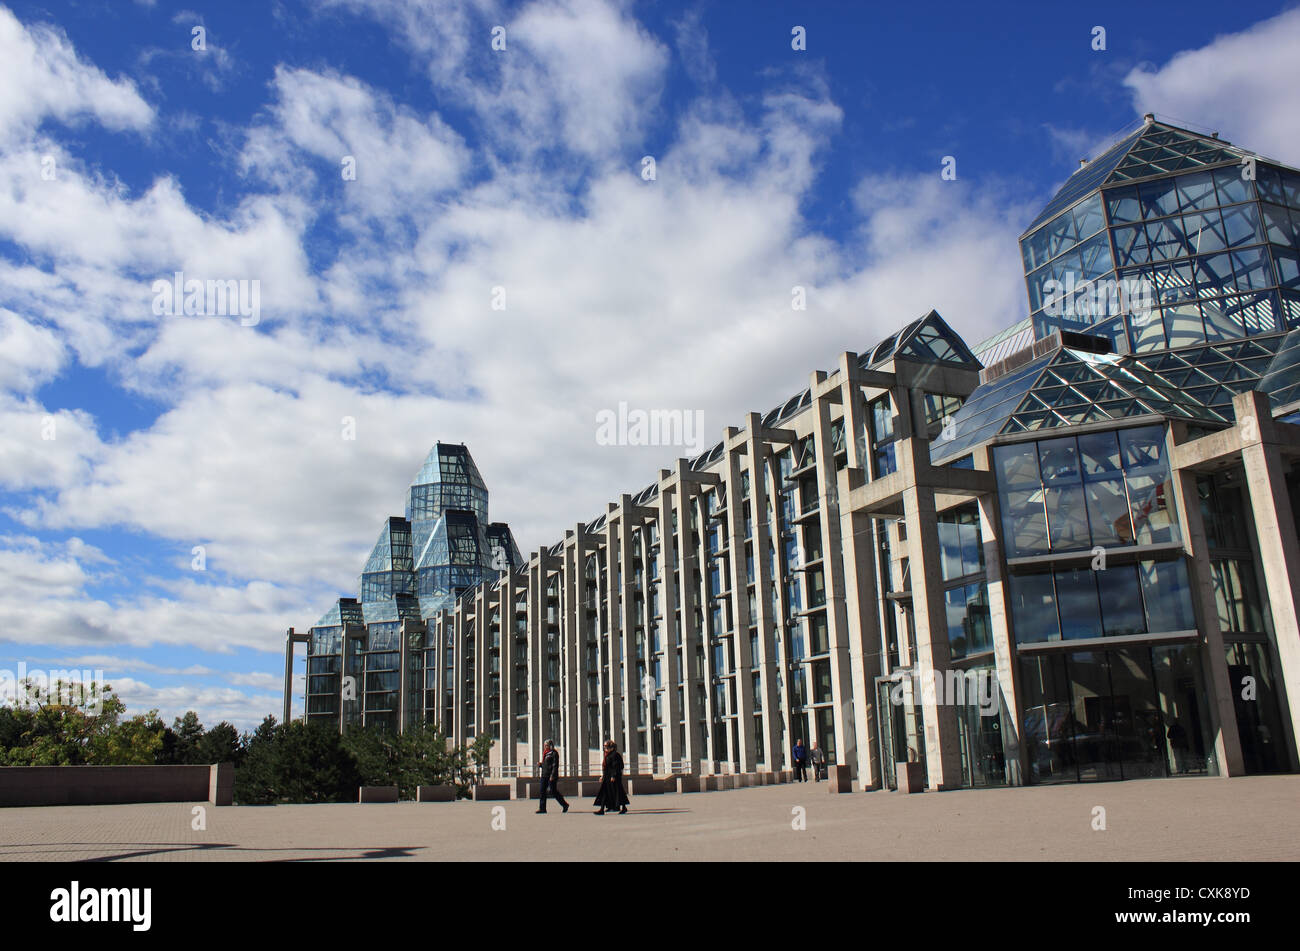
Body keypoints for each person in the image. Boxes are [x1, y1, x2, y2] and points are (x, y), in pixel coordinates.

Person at [594, 740, 630, 815]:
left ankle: (623, 807)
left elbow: (617, 766)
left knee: (618, 792)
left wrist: (613, 775)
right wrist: (603, 776)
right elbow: (605, 767)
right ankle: (602, 809)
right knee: (605, 792)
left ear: (612, 747)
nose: (605, 748)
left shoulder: (615, 755)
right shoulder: (607, 755)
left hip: (614, 777)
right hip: (607, 777)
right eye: (604, 747)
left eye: (606, 747)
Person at [536, 739, 569, 814]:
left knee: (553, 791)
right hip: (544, 775)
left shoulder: (554, 753)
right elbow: (546, 765)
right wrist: (541, 765)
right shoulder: (546, 753)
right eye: (544, 745)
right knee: (542, 791)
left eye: (546, 745)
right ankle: (542, 808)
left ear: (550, 745)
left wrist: (552, 776)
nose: (545, 747)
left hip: (551, 776)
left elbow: (555, 765)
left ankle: (565, 804)